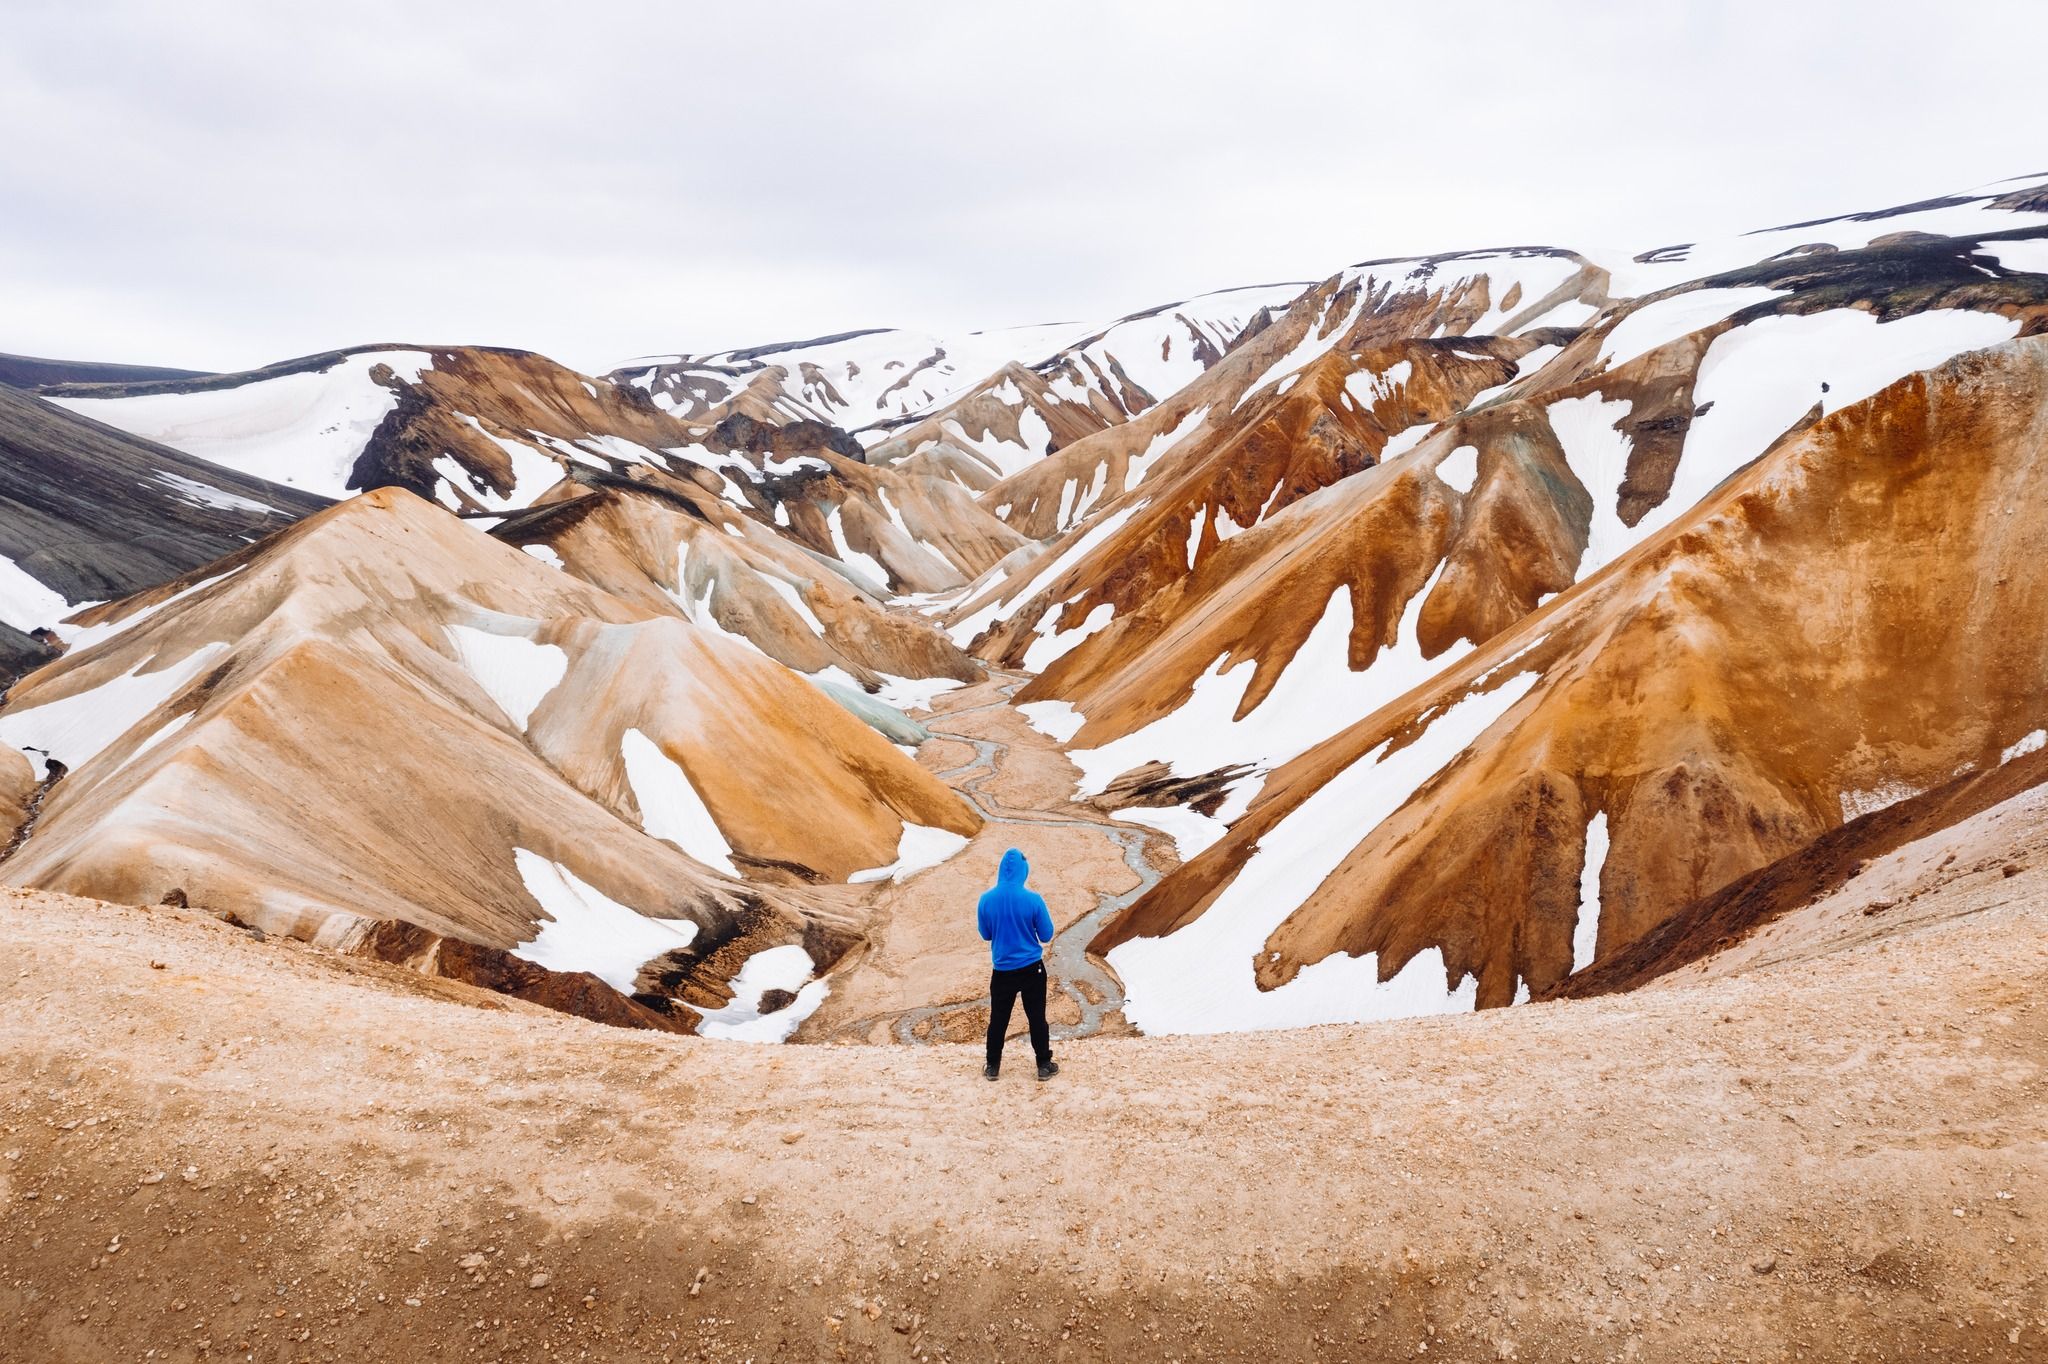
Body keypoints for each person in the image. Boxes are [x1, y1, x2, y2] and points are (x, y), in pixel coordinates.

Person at [976, 847, 1057, 1081]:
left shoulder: (986, 900)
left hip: (1002, 970)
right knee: (1036, 1018)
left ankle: (992, 1066)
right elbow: (1046, 934)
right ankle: (1043, 1065)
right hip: (1032, 968)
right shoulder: (1033, 899)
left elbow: (986, 934)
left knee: (998, 1020)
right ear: (1023, 871)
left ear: (1001, 870)